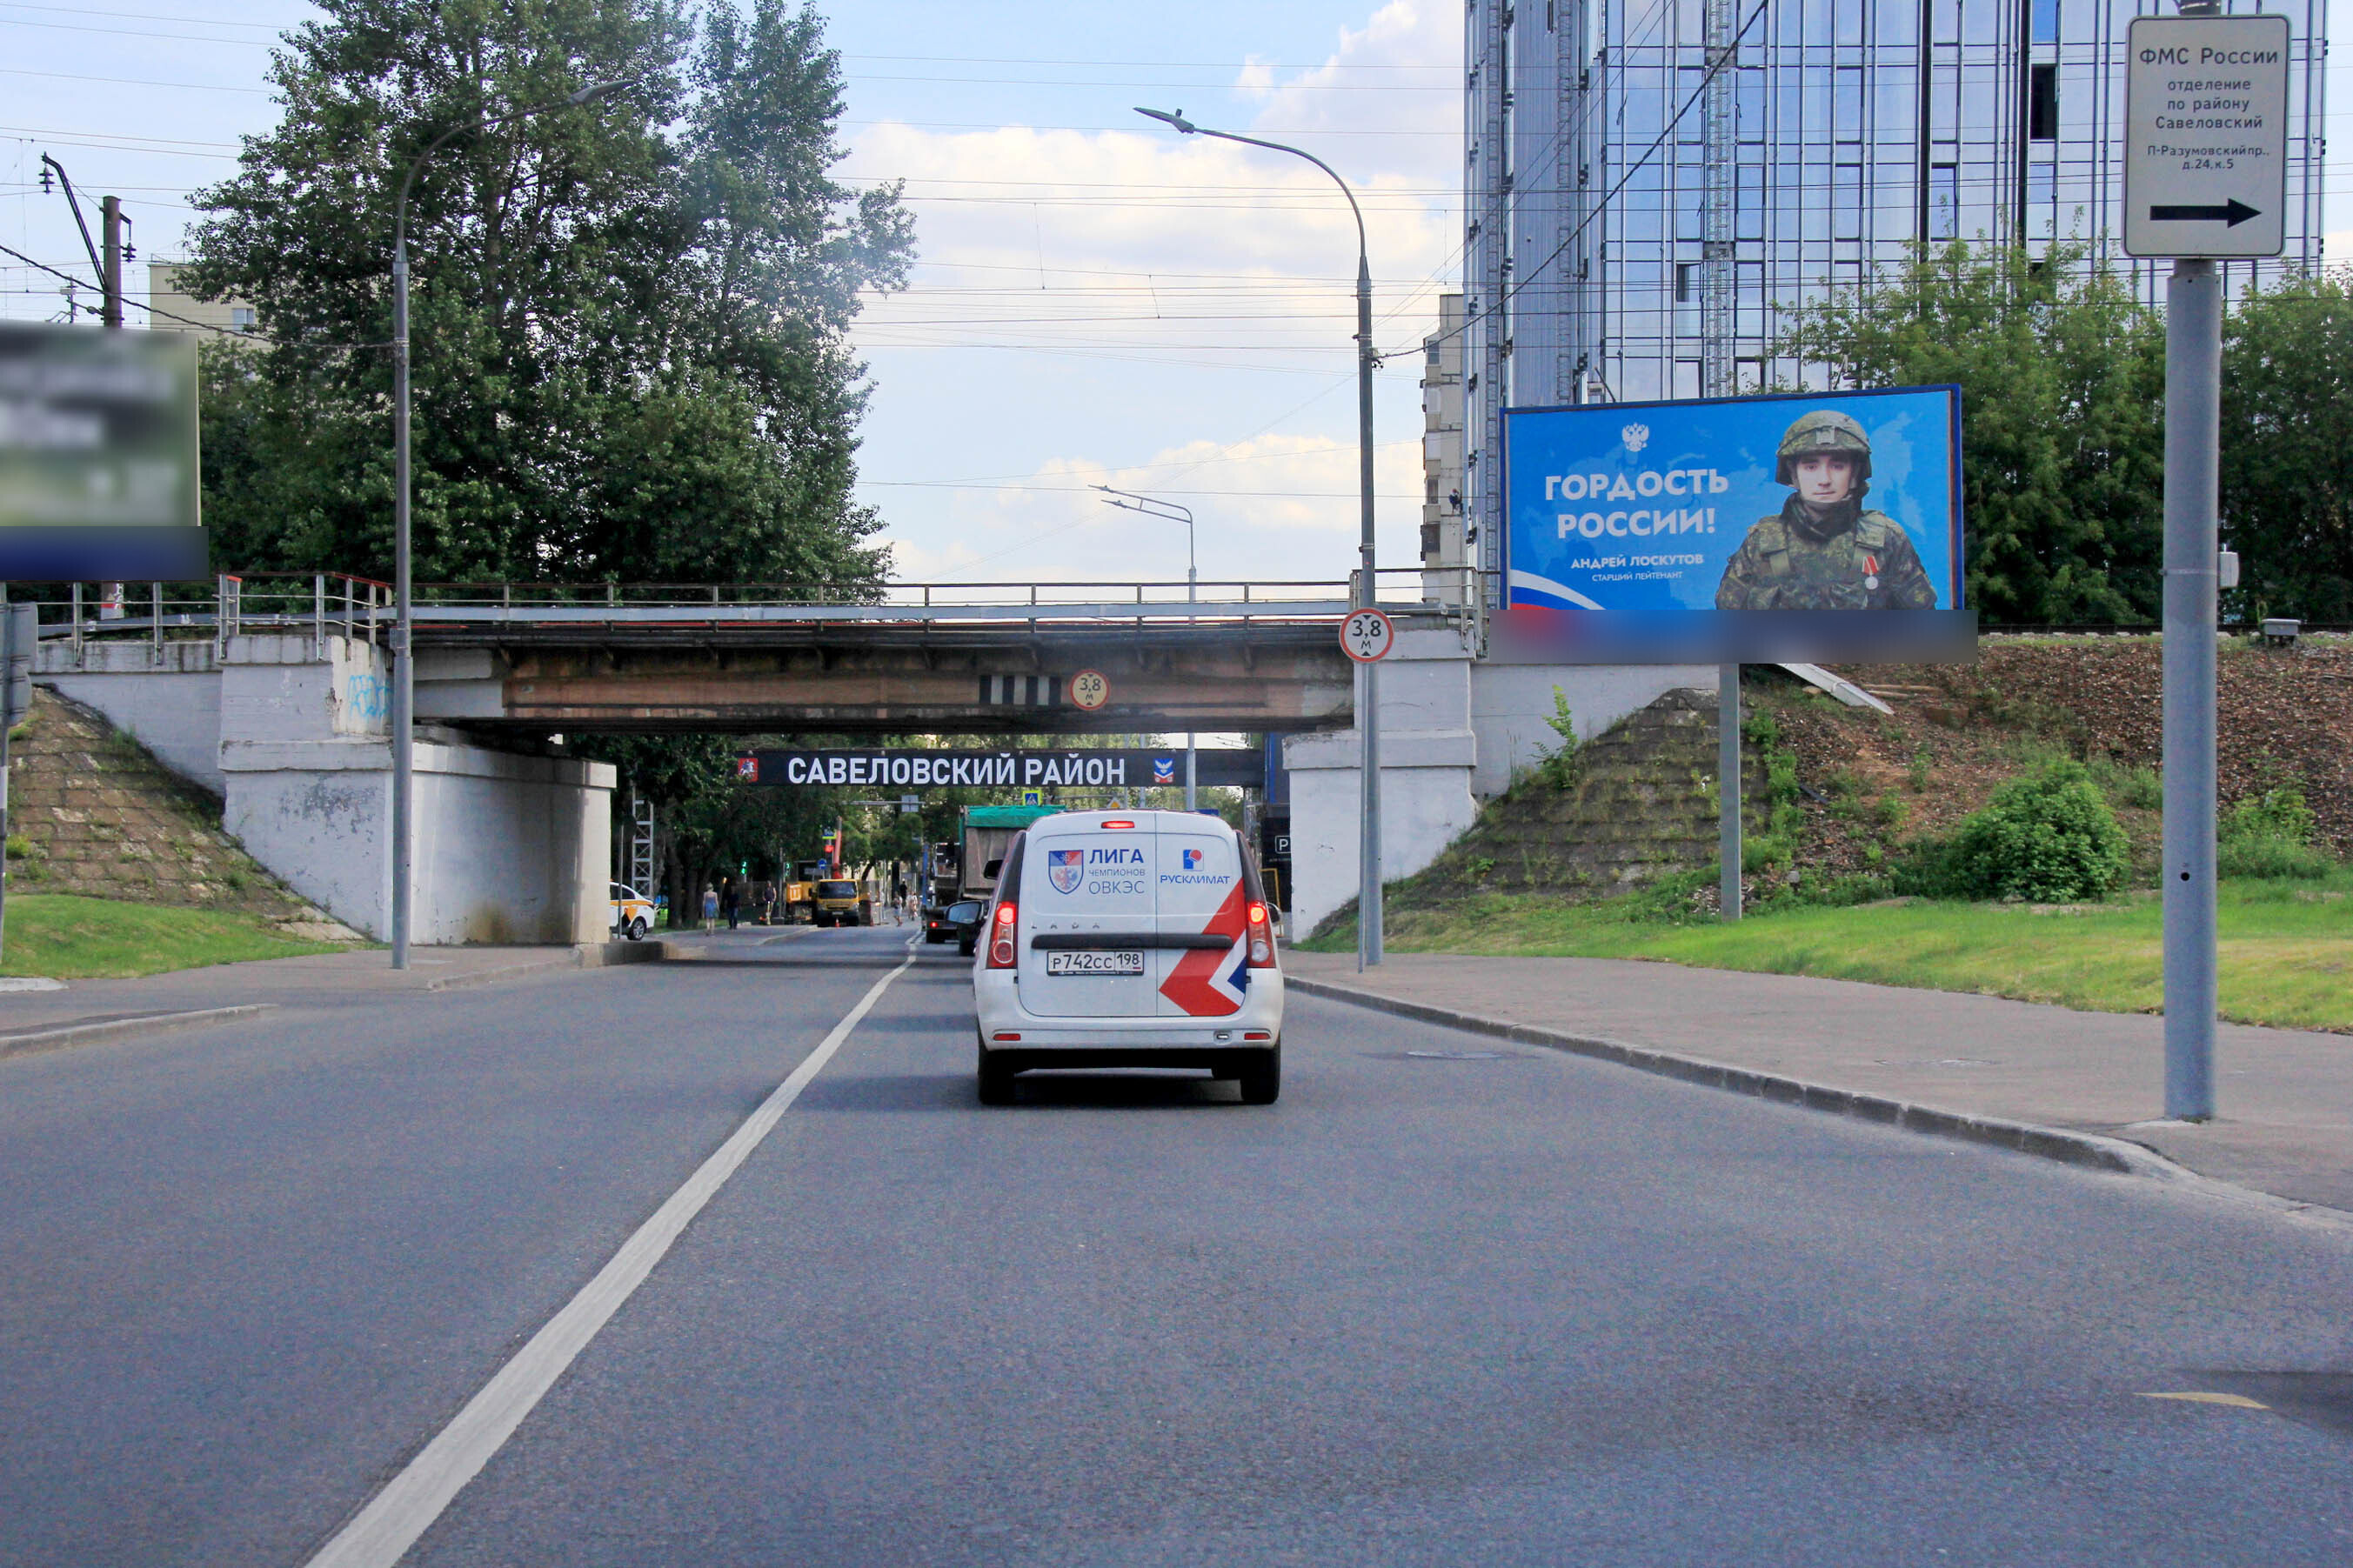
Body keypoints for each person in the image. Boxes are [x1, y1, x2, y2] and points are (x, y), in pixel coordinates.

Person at [1715, 410, 1937, 611]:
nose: (1824, 479)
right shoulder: (1761, 542)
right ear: (1793, 474)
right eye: (1811, 466)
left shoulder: (1886, 539)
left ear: (1855, 472)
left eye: (1837, 466)